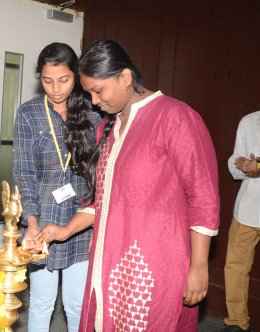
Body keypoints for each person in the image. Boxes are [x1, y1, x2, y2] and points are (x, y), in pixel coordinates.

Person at [37, 39, 220, 331]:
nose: (94, 101)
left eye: (98, 91)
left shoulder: (175, 118)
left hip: (153, 264)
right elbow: (104, 199)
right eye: (89, 93)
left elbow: (203, 196)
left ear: (125, 77)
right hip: (107, 261)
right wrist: (65, 230)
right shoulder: (107, 128)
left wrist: (199, 265)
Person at [12, 42, 101, 332]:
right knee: (40, 303)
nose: (56, 88)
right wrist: (32, 222)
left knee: (77, 305)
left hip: (82, 220)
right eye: (47, 81)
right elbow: (24, 173)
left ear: (76, 75)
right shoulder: (29, 113)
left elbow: (101, 174)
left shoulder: (93, 111)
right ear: (39, 78)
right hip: (43, 218)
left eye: (63, 80)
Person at [221, 111, 260, 332]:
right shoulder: (249, 121)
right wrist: (243, 166)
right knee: (235, 267)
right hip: (247, 208)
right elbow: (234, 163)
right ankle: (237, 322)